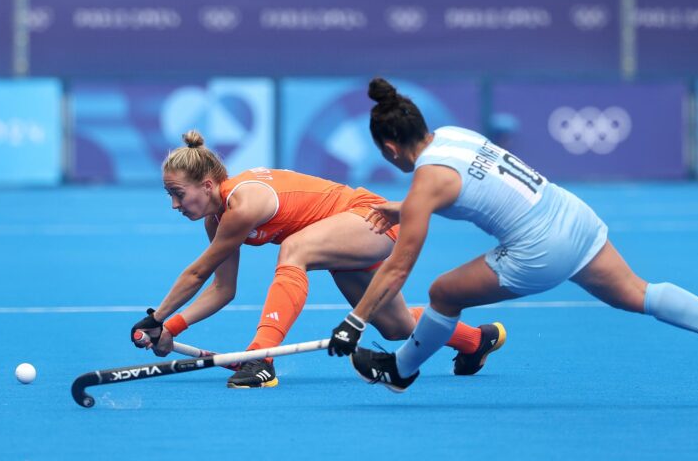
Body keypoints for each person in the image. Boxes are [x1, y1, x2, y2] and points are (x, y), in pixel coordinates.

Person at [326, 77, 698, 394]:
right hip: (572, 217)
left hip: (538, 250)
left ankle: (400, 371)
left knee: (443, 292)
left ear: (388, 148)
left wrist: (355, 321)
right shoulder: (452, 135)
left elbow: (399, 266)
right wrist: (404, 207)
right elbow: (472, 187)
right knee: (638, 292)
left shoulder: (425, 181)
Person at [130, 130, 506, 388]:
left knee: (296, 248)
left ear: (207, 185)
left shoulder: (243, 202)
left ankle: (262, 358)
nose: (175, 205)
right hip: (342, 241)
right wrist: (171, 329)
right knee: (397, 327)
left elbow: (197, 272)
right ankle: (476, 341)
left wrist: (156, 318)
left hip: (369, 218)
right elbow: (221, 289)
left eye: (178, 194)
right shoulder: (217, 221)